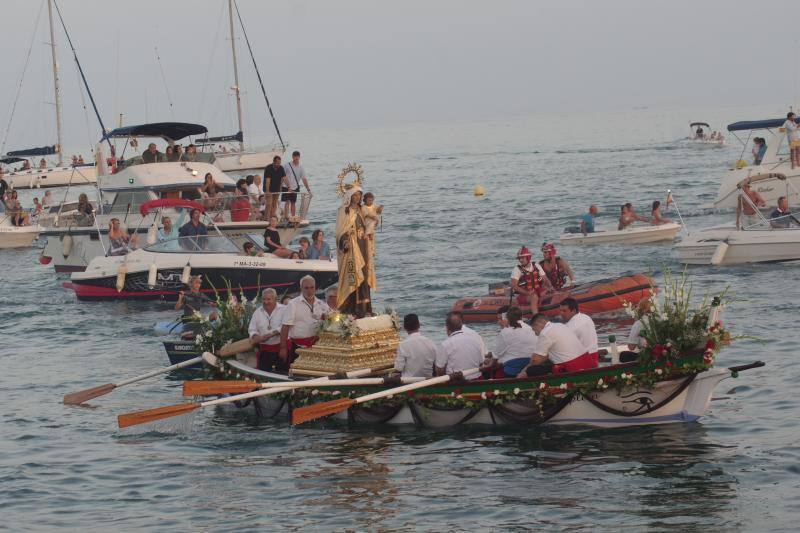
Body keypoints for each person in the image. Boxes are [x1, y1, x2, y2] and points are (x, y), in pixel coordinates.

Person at [336, 185, 375, 317]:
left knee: (364, 276)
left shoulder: (361, 209)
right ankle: (353, 309)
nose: (358, 197)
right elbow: (340, 231)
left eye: (359, 195)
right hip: (352, 249)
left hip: (363, 246)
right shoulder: (344, 211)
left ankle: (366, 308)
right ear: (350, 196)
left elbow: (368, 223)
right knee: (354, 278)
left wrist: (373, 223)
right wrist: (345, 241)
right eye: (355, 195)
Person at [518, 313, 596, 376]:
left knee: (531, 370)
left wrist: (524, 371)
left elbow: (535, 360)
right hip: (588, 363)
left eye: (534, 330)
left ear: (537, 324)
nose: (535, 334)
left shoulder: (545, 333)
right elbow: (545, 356)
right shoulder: (560, 325)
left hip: (572, 368)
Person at [279, 275, 331, 367]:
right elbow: (285, 326)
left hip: (317, 347)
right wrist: (283, 348)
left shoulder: (321, 304)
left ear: (315, 288)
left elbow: (330, 321)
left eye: (312, 287)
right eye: (306, 288)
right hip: (298, 348)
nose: (309, 291)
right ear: (301, 288)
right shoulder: (293, 304)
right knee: (298, 373)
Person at [488, 306, 538, 378]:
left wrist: (488, 364)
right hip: (531, 368)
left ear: (506, 318)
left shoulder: (505, 332)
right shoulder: (530, 328)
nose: (498, 322)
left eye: (500, 319)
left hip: (513, 372)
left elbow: (495, 358)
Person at [249, 288, 289, 372]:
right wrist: (257, 337)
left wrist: (272, 334)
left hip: (282, 349)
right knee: (264, 375)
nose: (266, 302)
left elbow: (285, 326)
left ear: (275, 299)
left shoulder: (284, 309)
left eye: (268, 299)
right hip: (264, 351)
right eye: (264, 299)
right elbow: (252, 329)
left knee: (282, 374)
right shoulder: (257, 312)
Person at [434, 312, 482, 379]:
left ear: (447, 327)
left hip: (456, 382)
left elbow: (439, 370)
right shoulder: (474, 341)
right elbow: (480, 363)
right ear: (461, 325)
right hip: (477, 380)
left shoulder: (445, 344)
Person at [394, 313, 438, 378]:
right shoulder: (431, 343)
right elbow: (437, 364)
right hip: (428, 380)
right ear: (419, 325)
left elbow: (398, 368)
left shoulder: (403, 345)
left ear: (405, 327)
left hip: (409, 381)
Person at [558, 297, 599, 366]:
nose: (561, 313)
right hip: (594, 357)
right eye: (560, 310)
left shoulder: (569, 327)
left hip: (583, 361)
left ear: (574, 310)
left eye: (564, 311)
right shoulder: (586, 317)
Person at [510, 246, 550, 314]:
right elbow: (514, 286)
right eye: (519, 258)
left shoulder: (536, 266)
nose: (520, 260)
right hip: (523, 294)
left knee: (548, 290)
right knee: (534, 297)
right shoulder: (517, 269)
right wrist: (527, 293)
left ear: (528, 258)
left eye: (522, 258)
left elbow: (545, 278)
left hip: (536, 290)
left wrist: (550, 287)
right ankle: (535, 315)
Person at [282, 150, 312, 220]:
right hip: (286, 186)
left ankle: (293, 217)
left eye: (297, 157)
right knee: (287, 201)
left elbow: (304, 179)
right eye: (294, 156)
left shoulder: (301, 167)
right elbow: (282, 176)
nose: (296, 158)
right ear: (292, 157)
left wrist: (308, 190)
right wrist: (280, 186)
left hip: (295, 187)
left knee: (293, 202)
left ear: (299, 157)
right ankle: (286, 216)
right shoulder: (287, 165)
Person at [263, 155, 286, 221]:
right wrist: (267, 191)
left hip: (277, 188)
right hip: (269, 188)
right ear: (274, 162)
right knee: (269, 204)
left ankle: (272, 216)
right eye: (277, 163)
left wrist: (286, 186)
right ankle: (266, 218)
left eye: (279, 163)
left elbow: (284, 178)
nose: (278, 164)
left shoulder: (281, 168)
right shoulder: (268, 168)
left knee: (274, 203)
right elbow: (268, 180)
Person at [361, 192, 383, 257]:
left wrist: (381, 208)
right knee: (371, 224)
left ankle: (372, 251)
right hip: (367, 223)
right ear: (365, 200)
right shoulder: (364, 207)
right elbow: (368, 215)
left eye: (371, 200)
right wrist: (375, 218)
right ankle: (366, 234)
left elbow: (378, 211)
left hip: (373, 224)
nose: (370, 202)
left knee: (372, 238)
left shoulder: (373, 206)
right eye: (369, 200)